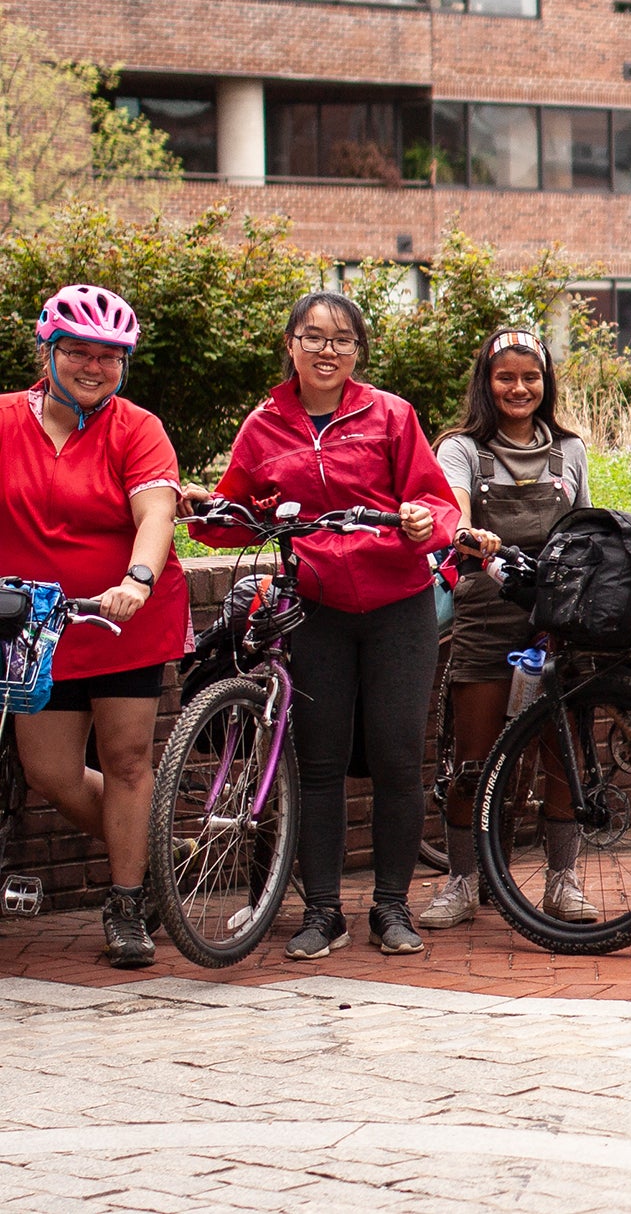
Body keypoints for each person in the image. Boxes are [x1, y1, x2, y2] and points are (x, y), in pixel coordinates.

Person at [184, 292, 456, 959]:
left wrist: (422, 520)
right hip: (313, 607)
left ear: (358, 351)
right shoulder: (264, 425)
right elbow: (233, 514)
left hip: (398, 602)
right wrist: (198, 509)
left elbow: (434, 501)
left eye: (342, 339)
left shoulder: (390, 414)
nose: (327, 349)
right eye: (314, 336)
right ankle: (324, 912)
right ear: (290, 344)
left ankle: (392, 908)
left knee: (396, 758)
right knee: (320, 763)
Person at [0, 285, 189, 968]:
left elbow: (156, 513)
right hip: (33, 629)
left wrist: (137, 580)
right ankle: (161, 853)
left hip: (120, 619)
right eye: (77, 351)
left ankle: (129, 901)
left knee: (128, 760)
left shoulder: (137, 428)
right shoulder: (3, 421)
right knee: (50, 772)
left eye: (109, 356)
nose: (93, 366)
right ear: (48, 351)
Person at [417, 328, 594, 930]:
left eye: (531, 377)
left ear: (545, 384)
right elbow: (451, 511)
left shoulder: (569, 449)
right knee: (475, 756)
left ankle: (562, 882)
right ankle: (462, 883)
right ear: (486, 383)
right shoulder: (462, 449)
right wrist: (468, 533)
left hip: (554, 613)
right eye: (506, 377)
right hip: (487, 609)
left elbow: (581, 525)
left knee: (559, 752)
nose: (519, 388)